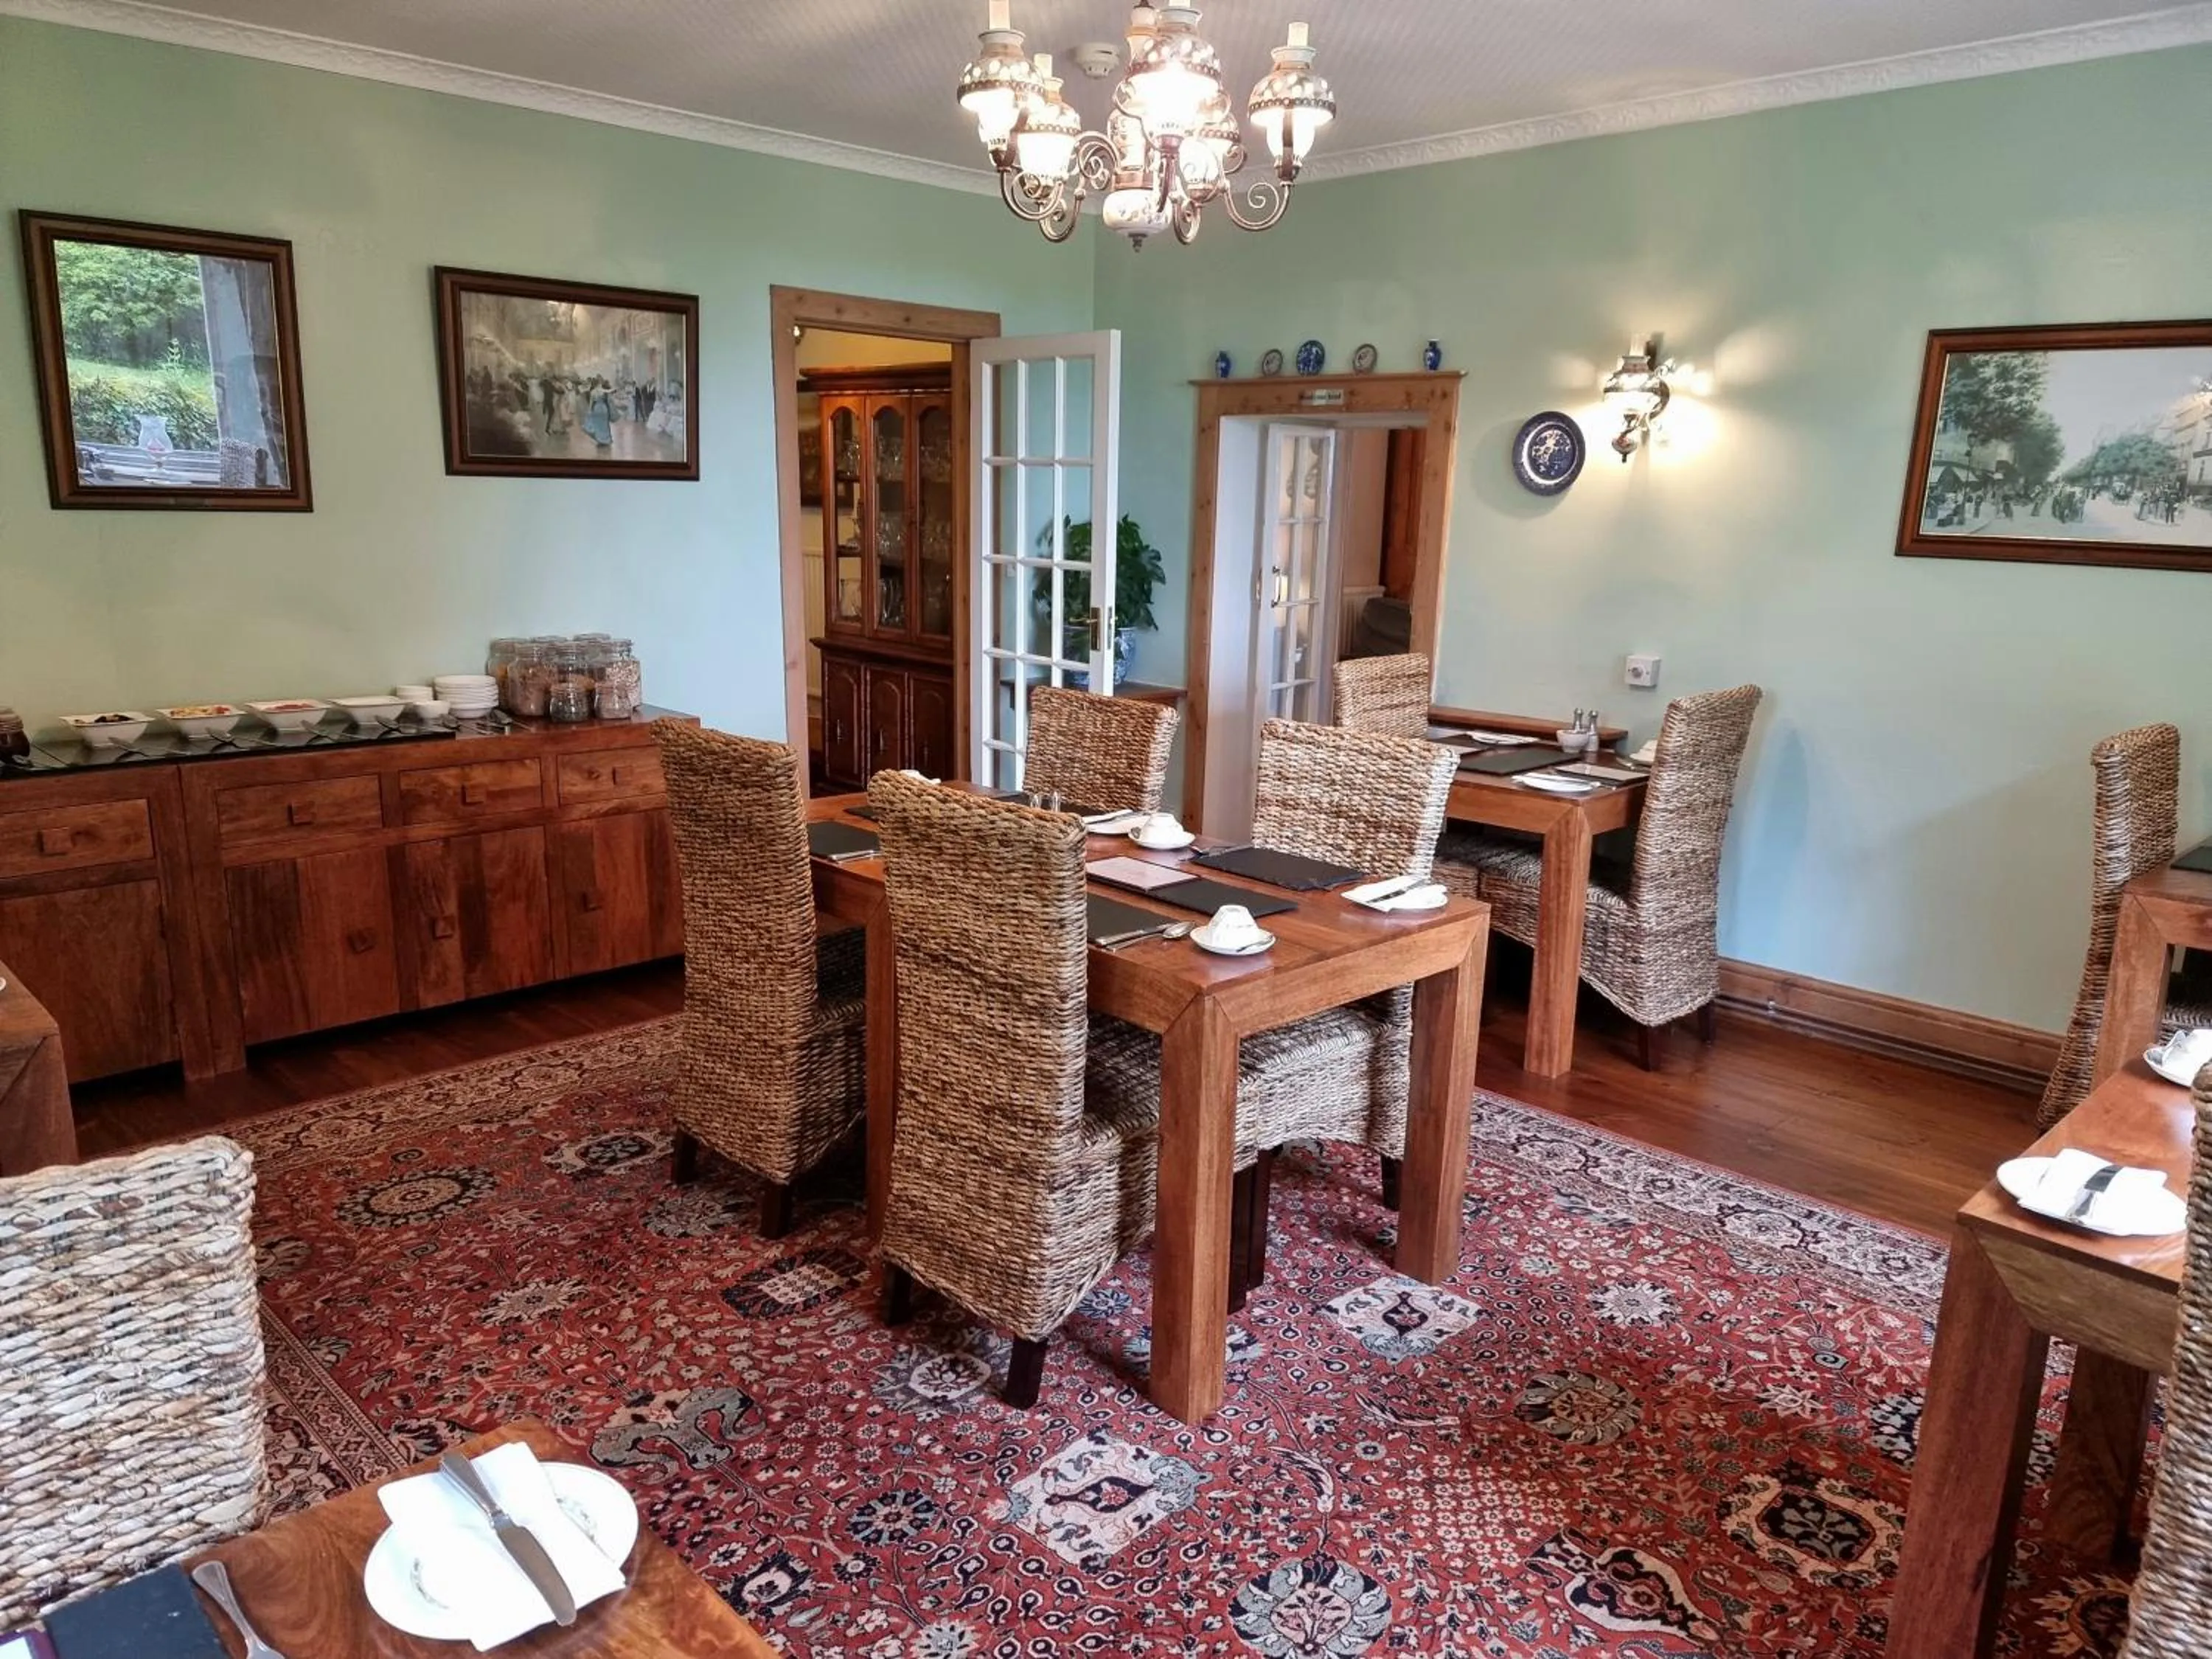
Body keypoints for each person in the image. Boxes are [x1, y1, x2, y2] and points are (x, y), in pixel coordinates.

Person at [582, 378, 614, 448]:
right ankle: (606, 440)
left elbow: (591, 403)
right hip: (603, 409)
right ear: (598, 384)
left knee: (598, 426)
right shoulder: (602, 390)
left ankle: (600, 440)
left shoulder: (593, 392)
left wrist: (589, 411)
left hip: (597, 409)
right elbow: (609, 391)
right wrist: (614, 389)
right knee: (605, 426)